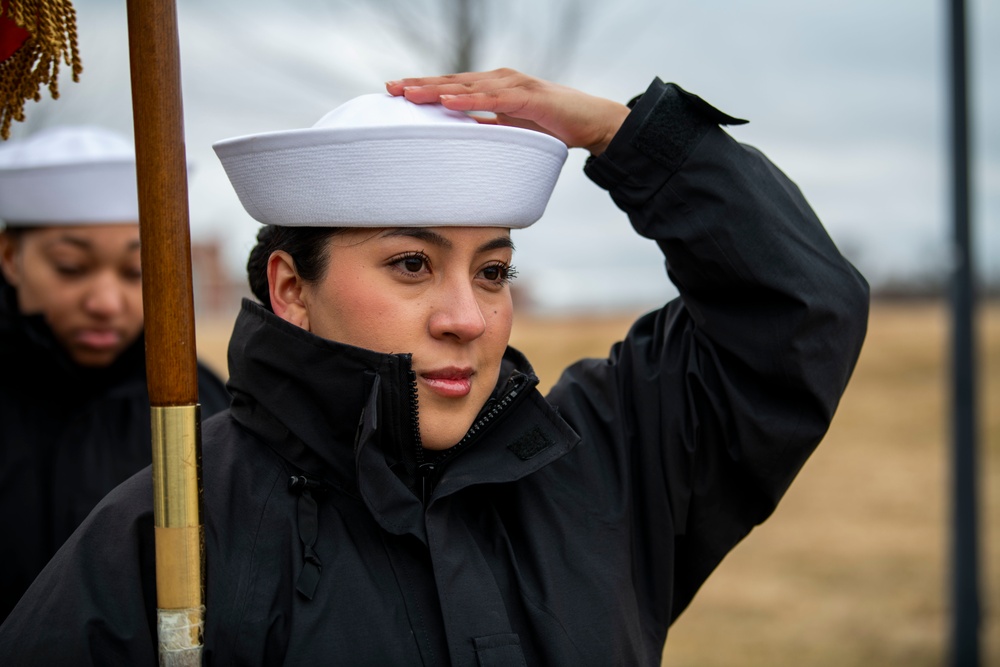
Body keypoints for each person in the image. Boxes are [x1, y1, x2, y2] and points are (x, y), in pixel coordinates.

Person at [0, 69, 868, 665]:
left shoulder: (605, 460)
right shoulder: (167, 528)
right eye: (411, 264)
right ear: (290, 287)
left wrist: (627, 136)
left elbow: (795, 311)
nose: (467, 318)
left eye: (492, 270)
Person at [0, 126, 231, 624]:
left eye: (134, 273)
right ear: (10, 257)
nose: (104, 303)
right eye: (70, 267)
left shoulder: (203, 404)